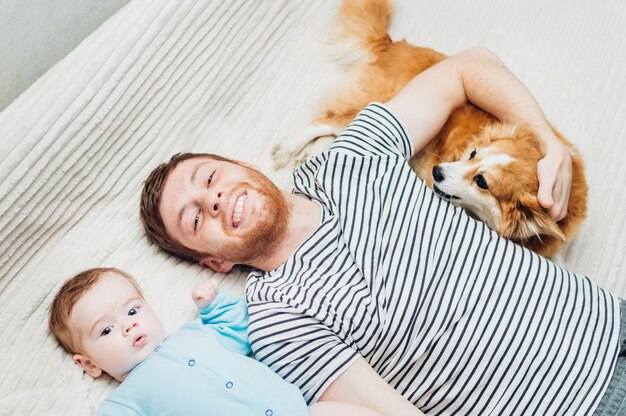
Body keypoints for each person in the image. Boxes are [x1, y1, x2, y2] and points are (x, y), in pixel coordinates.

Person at [139, 46, 625, 415]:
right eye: (196, 218)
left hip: (610, 322)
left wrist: (550, 145)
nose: (214, 198)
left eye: (209, 178)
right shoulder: (275, 319)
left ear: (242, 165)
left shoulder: (348, 160)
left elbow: (467, 68)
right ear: (214, 263)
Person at [48, 267, 380, 416]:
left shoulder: (195, 334)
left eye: (133, 309)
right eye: (106, 330)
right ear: (89, 364)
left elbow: (238, 327)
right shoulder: (125, 401)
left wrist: (214, 306)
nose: (127, 325)